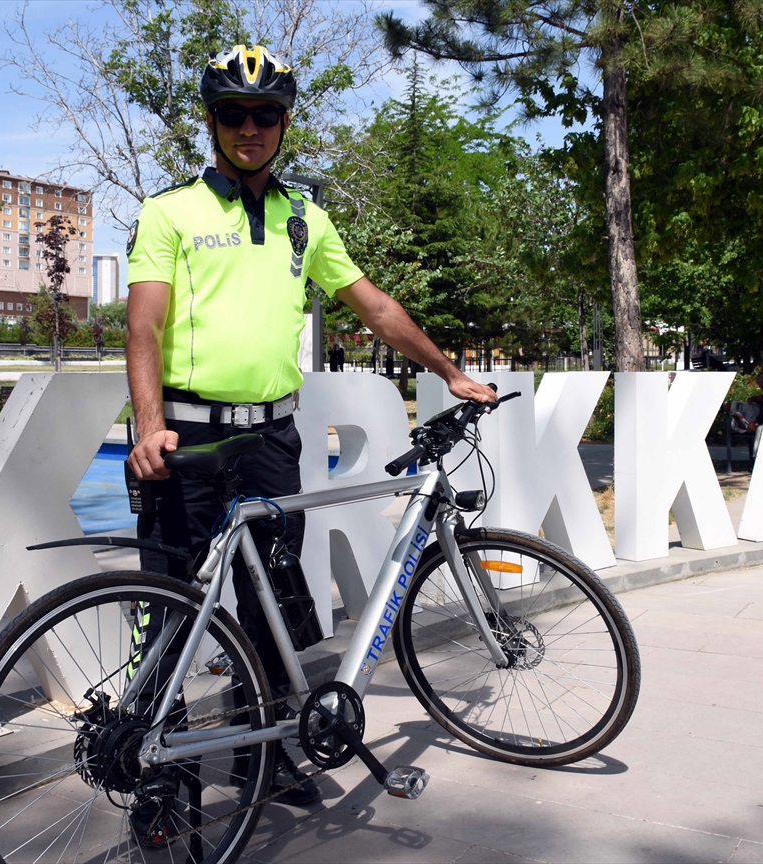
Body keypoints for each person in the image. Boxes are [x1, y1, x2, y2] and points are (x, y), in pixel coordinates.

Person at [124, 44, 495, 835]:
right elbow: (144, 323)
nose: (249, 128)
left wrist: (450, 371)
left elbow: (373, 304)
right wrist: (150, 424)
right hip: (186, 438)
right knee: (170, 613)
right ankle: (164, 782)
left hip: (270, 441)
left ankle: (273, 757)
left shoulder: (305, 216)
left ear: (285, 121)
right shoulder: (171, 211)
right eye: (232, 113)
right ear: (212, 121)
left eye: (264, 114)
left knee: (273, 606)